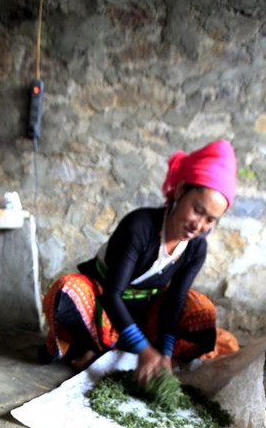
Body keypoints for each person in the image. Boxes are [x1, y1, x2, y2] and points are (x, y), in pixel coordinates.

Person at [40, 139, 239, 385]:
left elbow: (174, 301)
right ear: (180, 191)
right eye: (197, 210)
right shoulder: (140, 226)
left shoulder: (196, 247)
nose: (199, 226)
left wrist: (164, 353)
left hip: (145, 314)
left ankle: (112, 349)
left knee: (201, 310)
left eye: (210, 220)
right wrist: (144, 350)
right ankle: (105, 345)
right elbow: (113, 293)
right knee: (68, 291)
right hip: (104, 301)